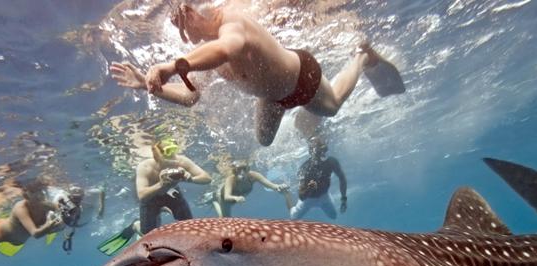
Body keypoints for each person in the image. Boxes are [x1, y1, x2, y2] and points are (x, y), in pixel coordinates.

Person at [110, 2, 403, 147]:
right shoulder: (203, 52)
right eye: (178, 27)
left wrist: (171, 66)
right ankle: (302, 114)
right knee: (264, 140)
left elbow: (227, 48)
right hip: (272, 98)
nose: (184, 33)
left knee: (334, 106)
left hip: (301, 77)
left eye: (184, 22)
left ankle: (362, 57)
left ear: (198, 12)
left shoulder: (232, 22)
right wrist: (148, 87)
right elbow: (190, 97)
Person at [97, 138, 211, 256]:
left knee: (190, 226)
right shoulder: (145, 167)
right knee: (150, 237)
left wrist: (190, 179)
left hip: (172, 192)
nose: (172, 159)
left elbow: (207, 178)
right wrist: (161, 184)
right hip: (151, 197)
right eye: (167, 153)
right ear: (156, 155)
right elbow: (142, 195)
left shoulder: (181, 161)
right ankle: (136, 226)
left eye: (174, 152)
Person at [289, 138, 347, 220]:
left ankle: (321, 203)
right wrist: (309, 189)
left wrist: (344, 199)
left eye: (322, 149)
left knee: (333, 216)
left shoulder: (331, 162)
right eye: (318, 150)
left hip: (324, 196)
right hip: (308, 201)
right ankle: (286, 194)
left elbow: (342, 178)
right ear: (311, 152)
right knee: (293, 217)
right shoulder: (304, 168)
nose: (321, 153)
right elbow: (302, 196)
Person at [211, 160, 292, 217]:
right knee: (225, 219)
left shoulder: (254, 175)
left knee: (225, 217)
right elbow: (227, 197)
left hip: (238, 197)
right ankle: (215, 201)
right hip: (225, 199)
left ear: (248, 169)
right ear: (235, 171)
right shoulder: (230, 179)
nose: (242, 173)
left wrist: (279, 187)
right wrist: (236, 198)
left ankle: (215, 201)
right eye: (239, 170)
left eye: (244, 169)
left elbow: (271, 185)